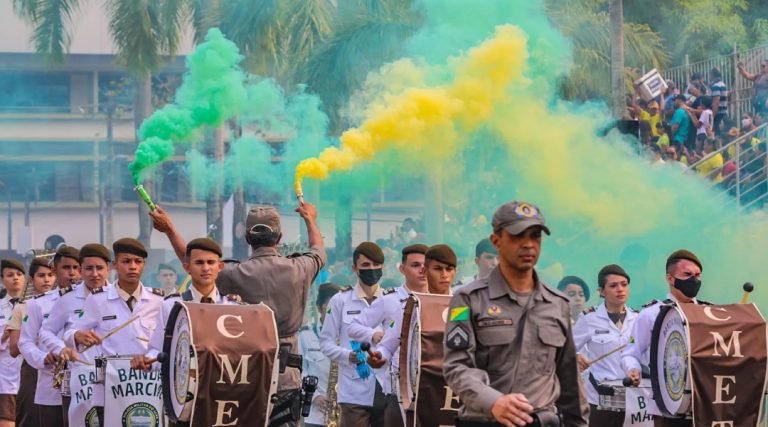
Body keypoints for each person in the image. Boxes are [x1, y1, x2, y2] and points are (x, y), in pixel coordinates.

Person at [150, 202, 326, 395]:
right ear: (280, 237)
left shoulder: (234, 273)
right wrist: (310, 219)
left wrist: (169, 229)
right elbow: (318, 251)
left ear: (246, 238)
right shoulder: (300, 268)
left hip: (246, 374)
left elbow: (194, 261)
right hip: (286, 376)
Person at [443, 200, 588, 426]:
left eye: (535, 236)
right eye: (517, 236)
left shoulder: (557, 303)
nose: (528, 245)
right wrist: (493, 401)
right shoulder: (467, 299)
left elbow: (570, 379)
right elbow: (457, 366)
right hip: (486, 420)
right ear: (496, 241)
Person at [67, 238, 164, 425]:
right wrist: (77, 335)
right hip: (110, 386)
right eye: (126, 261)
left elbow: (162, 343)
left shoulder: (157, 301)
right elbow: (71, 331)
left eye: (138, 262)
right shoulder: (99, 300)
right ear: (115, 265)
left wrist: (149, 358)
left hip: (148, 384)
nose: (133, 267)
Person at [622, 250, 707, 427]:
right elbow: (631, 353)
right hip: (666, 407)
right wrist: (633, 369)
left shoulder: (708, 313)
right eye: (687, 275)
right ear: (670, 278)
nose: (694, 280)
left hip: (703, 406)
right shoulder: (651, 314)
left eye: (697, 275)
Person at [131, 238, 242, 371]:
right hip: (183, 385)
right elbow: (158, 351)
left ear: (220, 267)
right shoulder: (172, 305)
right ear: (187, 267)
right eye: (199, 262)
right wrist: (147, 362)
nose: (206, 268)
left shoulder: (232, 306)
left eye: (211, 262)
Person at [319, 242, 394, 427]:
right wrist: (348, 356)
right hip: (354, 387)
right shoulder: (340, 300)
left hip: (385, 385)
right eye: (366, 266)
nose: (372, 270)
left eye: (376, 265)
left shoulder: (391, 300)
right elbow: (326, 342)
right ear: (355, 268)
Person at [39, 244, 112, 426]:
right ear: (81, 270)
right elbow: (45, 331)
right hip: (81, 377)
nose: (95, 274)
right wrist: (64, 347)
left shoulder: (117, 297)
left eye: (100, 268)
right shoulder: (68, 299)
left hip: (115, 377)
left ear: (108, 269)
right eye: (89, 268)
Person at [18, 247, 79, 427]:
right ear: (54, 271)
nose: (72, 273)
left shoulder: (95, 300)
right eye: (66, 267)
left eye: (76, 267)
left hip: (85, 383)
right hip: (51, 382)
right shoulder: (39, 304)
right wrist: (43, 357)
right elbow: (25, 341)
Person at [573, 264, 639, 427]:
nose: (620, 289)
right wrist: (576, 358)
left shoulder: (638, 319)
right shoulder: (589, 318)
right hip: (599, 400)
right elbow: (569, 349)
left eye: (624, 284)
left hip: (633, 399)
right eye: (613, 285)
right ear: (602, 291)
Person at [7, 257, 53, 427]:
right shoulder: (22, 307)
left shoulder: (61, 303)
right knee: (30, 416)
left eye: (50, 275)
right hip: (32, 368)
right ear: (32, 280)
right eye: (41, 275)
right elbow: (13, 349)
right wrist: (31, 333)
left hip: (58, 367)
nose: (47, 279)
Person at [298, 283, 343, 427]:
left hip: (344, 413)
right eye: (328, 307)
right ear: (319, 307)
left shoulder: (350, 338)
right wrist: (314, 396)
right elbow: (298, 371)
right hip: (314, 414)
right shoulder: (305, 336)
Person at [0, 260, 25, 427]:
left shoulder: (34, 305)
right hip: (5, 377)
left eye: (19, 274)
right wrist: (5, 334)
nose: (15, 278)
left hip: (30, 374)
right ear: (2, 280)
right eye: (10, 275)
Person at [710, 68, 729, 136]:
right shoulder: (723, 84)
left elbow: (716, 102)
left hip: (718, 115)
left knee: (717, 136)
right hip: (724, 114)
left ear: (712, 75)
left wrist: (712, 117)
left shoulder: (716, 86)